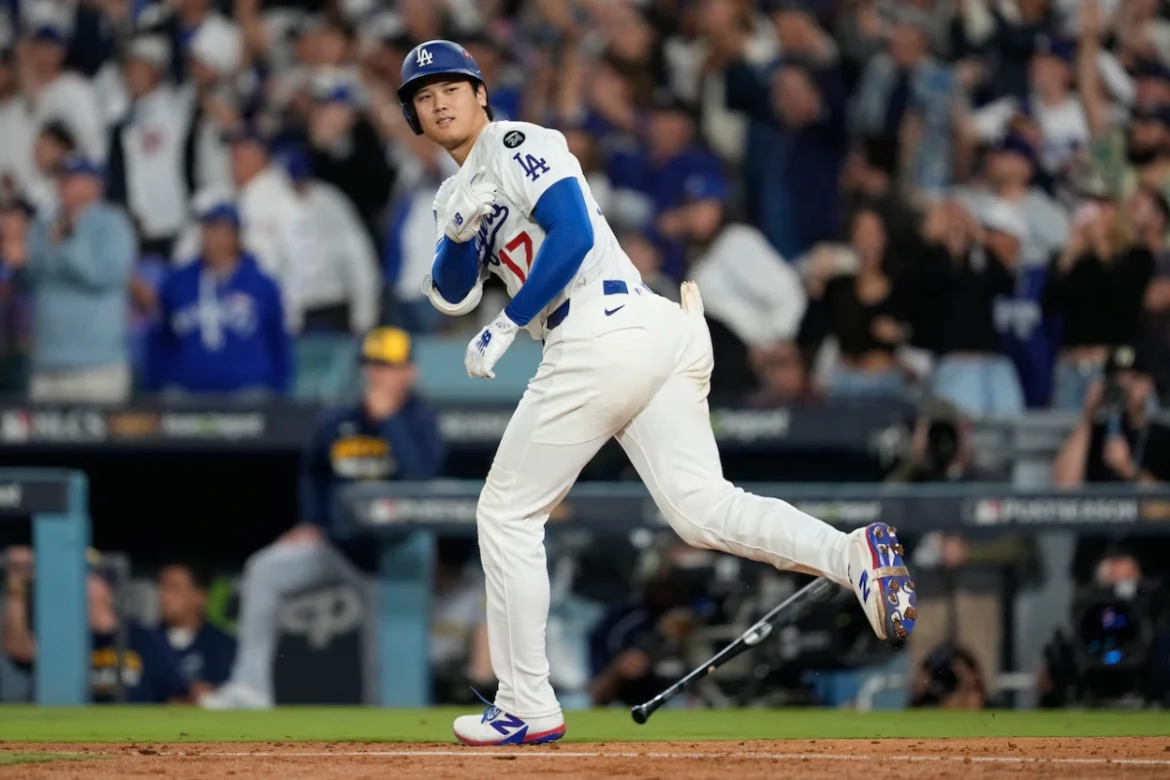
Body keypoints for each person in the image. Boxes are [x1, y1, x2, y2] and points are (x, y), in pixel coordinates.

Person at [400, 40, 917, 745]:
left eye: (451, 86)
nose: (439, 100)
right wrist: (462, 231)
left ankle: (526, 702)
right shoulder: (451, 194)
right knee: (702, 509)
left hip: (599, 328)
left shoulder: (518, 139)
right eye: (424, 96)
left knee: (505, 513)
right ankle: (852, 555)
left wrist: (510, 324)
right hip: (651, 331)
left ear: (481, 93)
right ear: (417, 120)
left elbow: (576, 232)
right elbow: (452, 292)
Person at [199, 326, 444, 710]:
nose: (377, 373)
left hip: (393, 559)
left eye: (388, 365)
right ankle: (250, 688)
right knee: (265, 569)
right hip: (338, 546)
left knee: (386, 670)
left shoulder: (421, 421)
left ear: (409, 372)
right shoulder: (339, 420)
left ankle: (392, 732)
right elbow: (313, 469)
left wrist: (389, 422)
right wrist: (312, 521)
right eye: (372, 364)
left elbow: (419, 477)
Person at [145, 198, 291, 397]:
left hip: (248, 391)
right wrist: (154, 387)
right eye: (206, 229)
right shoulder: (177, 282)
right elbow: (160, 340)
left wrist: (280, 390)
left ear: (234, 236)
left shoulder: (261, 285)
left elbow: (278, 342)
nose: (209, 236)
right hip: (188, 392)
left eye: (217, 229)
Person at [3, 549, 189, 704]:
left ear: (106, 586)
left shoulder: (144, 638)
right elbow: (19, 650)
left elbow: (176, 695)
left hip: (137, 734)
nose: (77, 584)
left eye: (88, 576)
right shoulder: (62, 637)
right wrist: (16, 592)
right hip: (71, 728)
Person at [26, 154, 135, 403]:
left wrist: (67, 244)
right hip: (47, 363)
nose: (62, 184)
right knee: (42, 442)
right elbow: (33, 274)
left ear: (95, 184)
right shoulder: (43, 223)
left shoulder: (113, 223)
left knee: (99, 443)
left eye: (71, 178)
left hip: (97, 365)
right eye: (61, 177)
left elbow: (102, 275)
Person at [155, 562, 236, 697]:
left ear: (200, 596)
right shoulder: (146, 642)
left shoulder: (224, 645)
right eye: (162, 587)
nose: (163, 596)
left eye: (174, 588)